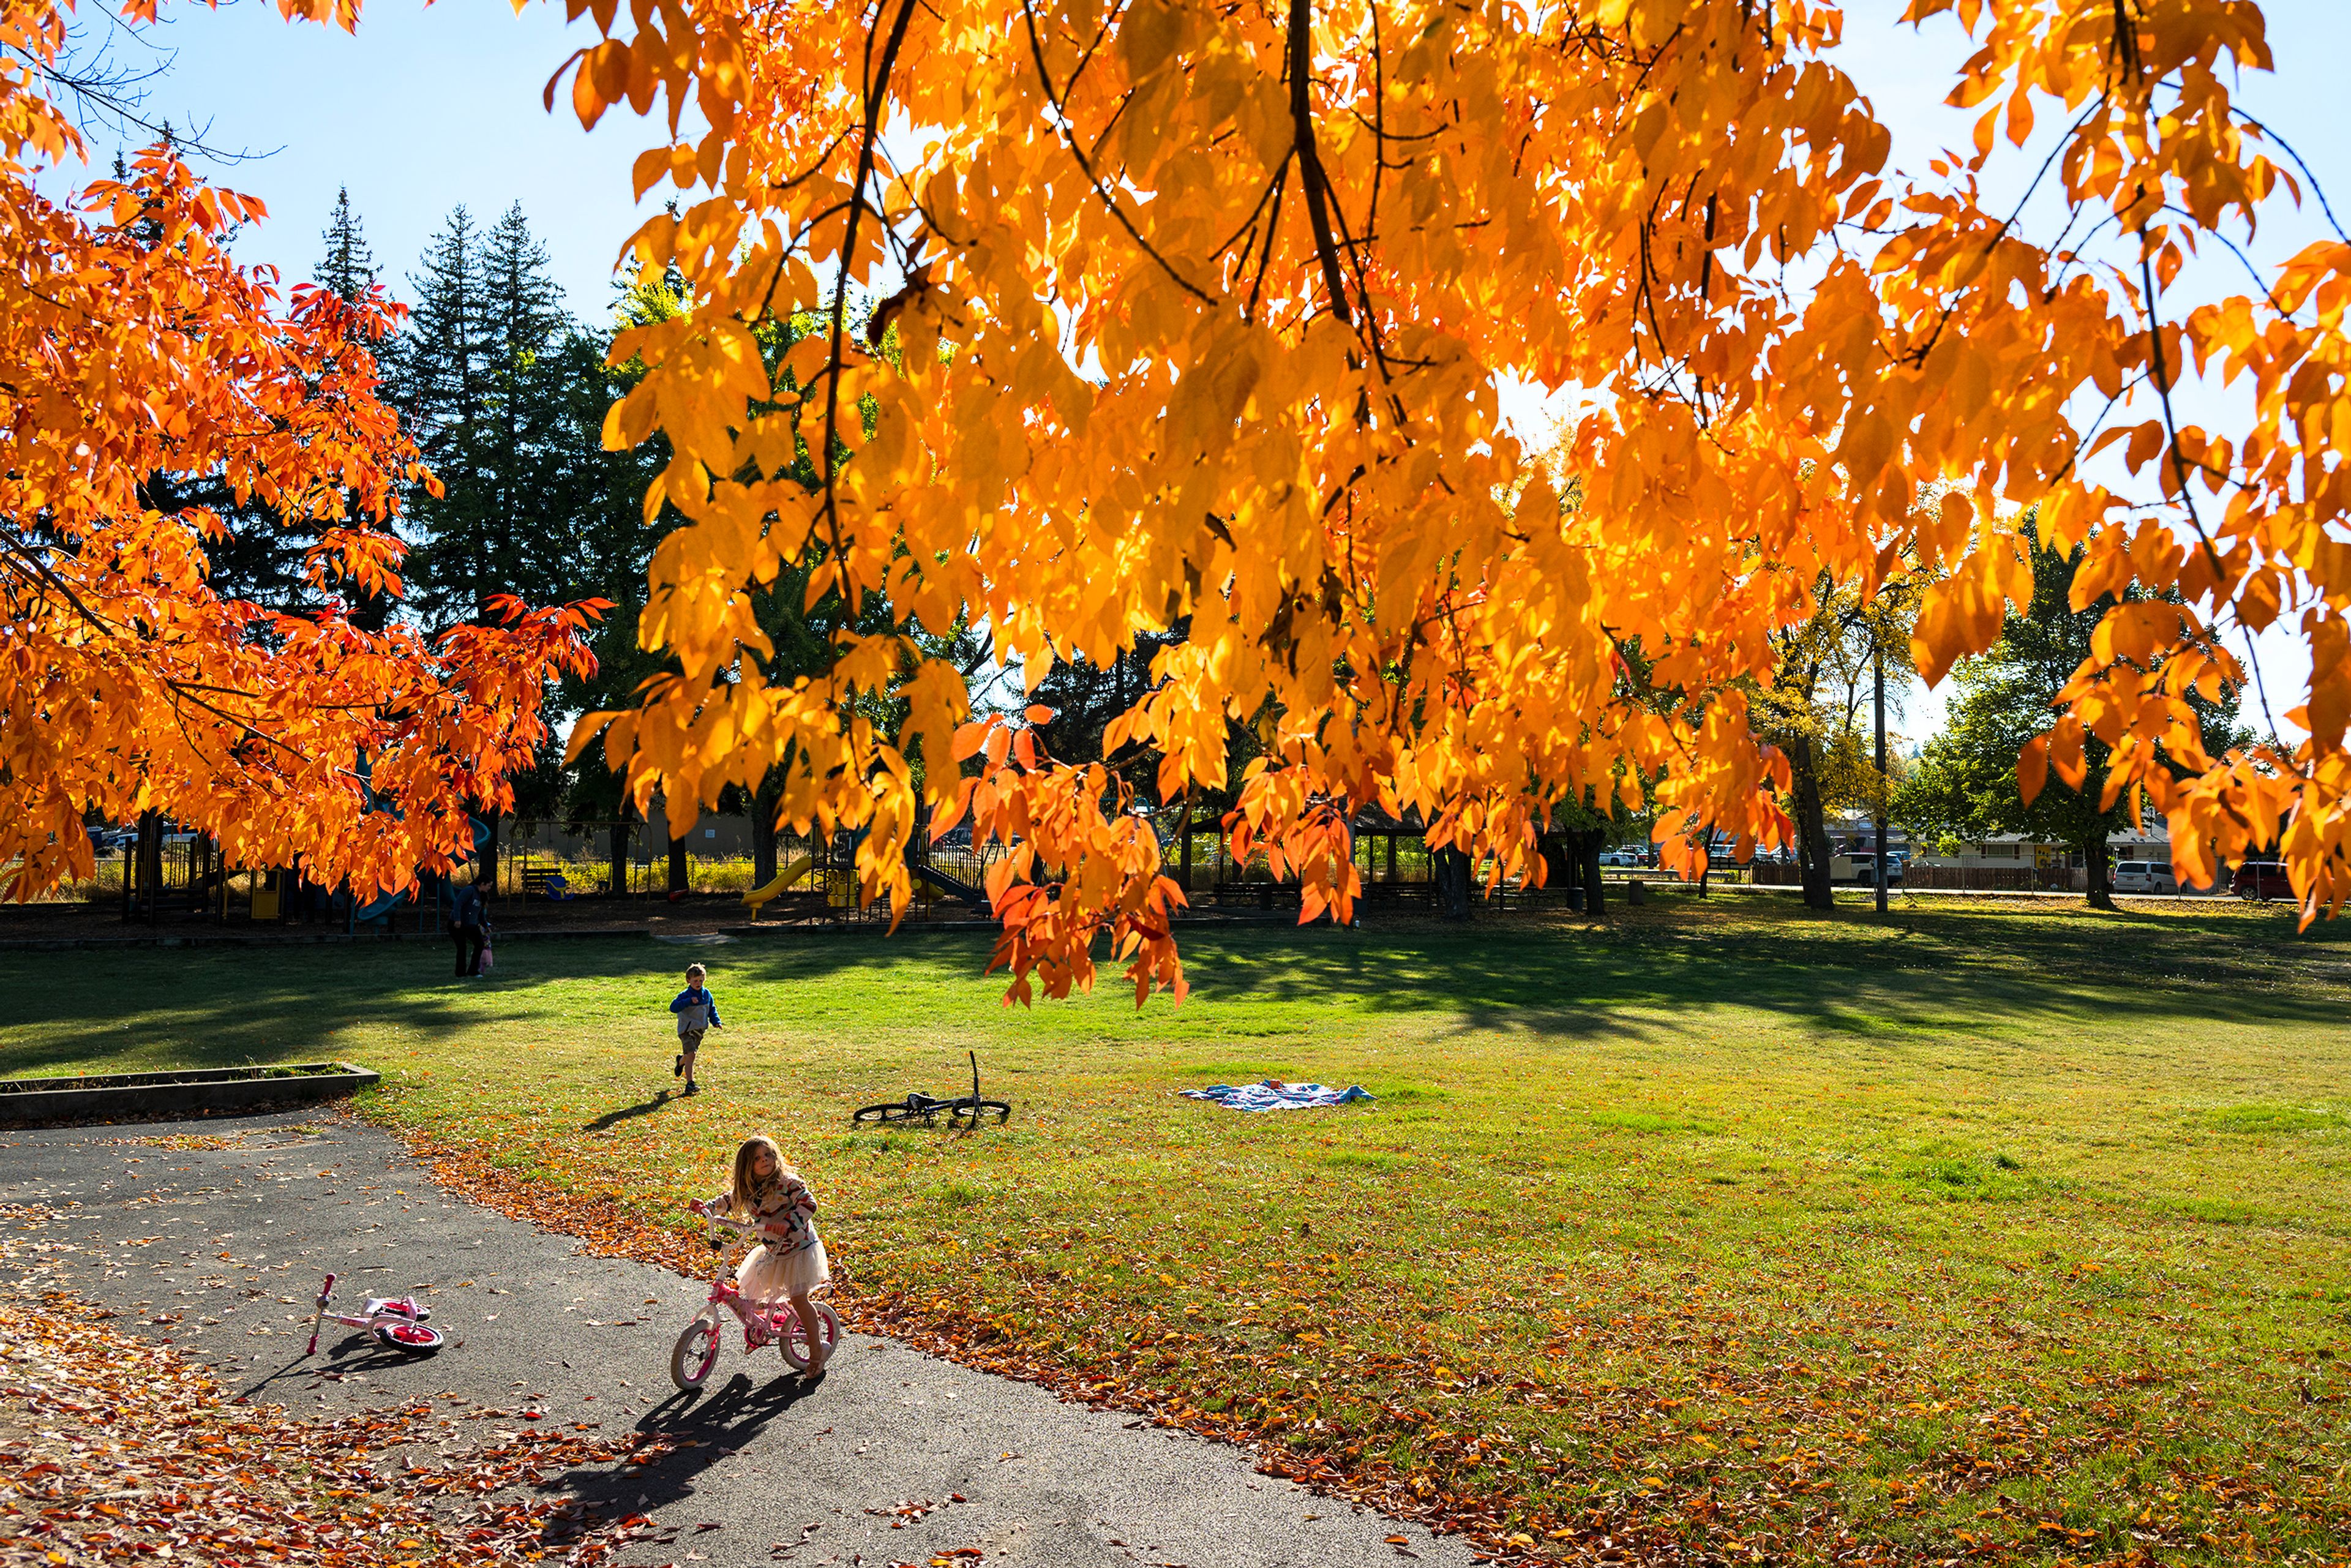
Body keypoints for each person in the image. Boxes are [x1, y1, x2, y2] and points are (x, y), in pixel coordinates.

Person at [692, 1135, 831, 1378]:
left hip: (798, 1248)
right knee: (756, 1292)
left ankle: (817, 1352)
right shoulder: (748, 1188)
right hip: (773, 1249)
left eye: (768, 1155)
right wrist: (708, 1207)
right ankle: (763, 1327)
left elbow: (809, 1204)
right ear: (748, 1165)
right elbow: (730, 1199)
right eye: (757, 1158)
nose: (765, 1160)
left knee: (799, 1298)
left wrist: (788, 1222)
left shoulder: (788, 1183)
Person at [669, 962, 722, 1093]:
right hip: (686, 1031)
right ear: (689, 981)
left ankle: (681, 1062)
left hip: (699, 1030)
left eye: (701, 981)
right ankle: (690, 1084)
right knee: (692, 1055)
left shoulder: (707, 994)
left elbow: (712, 1009)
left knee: (689, 1056)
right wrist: (687, 1002)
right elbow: (673, 1008)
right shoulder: (685, 995)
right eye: (695, 981)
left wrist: (716, 1021)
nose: (698, 983)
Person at [450, 881, 489, 978]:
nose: (490, 888)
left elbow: (480, 913)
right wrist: (457, 919)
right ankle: (460, 973)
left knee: (480, 944)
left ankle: (473, 971)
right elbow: (458, 904)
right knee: (462, 947)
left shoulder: (482, 896)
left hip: (471, 925)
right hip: (457, 924)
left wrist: (485, 926)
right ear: (482, 884)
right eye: (489, 885)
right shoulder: (469, 891)